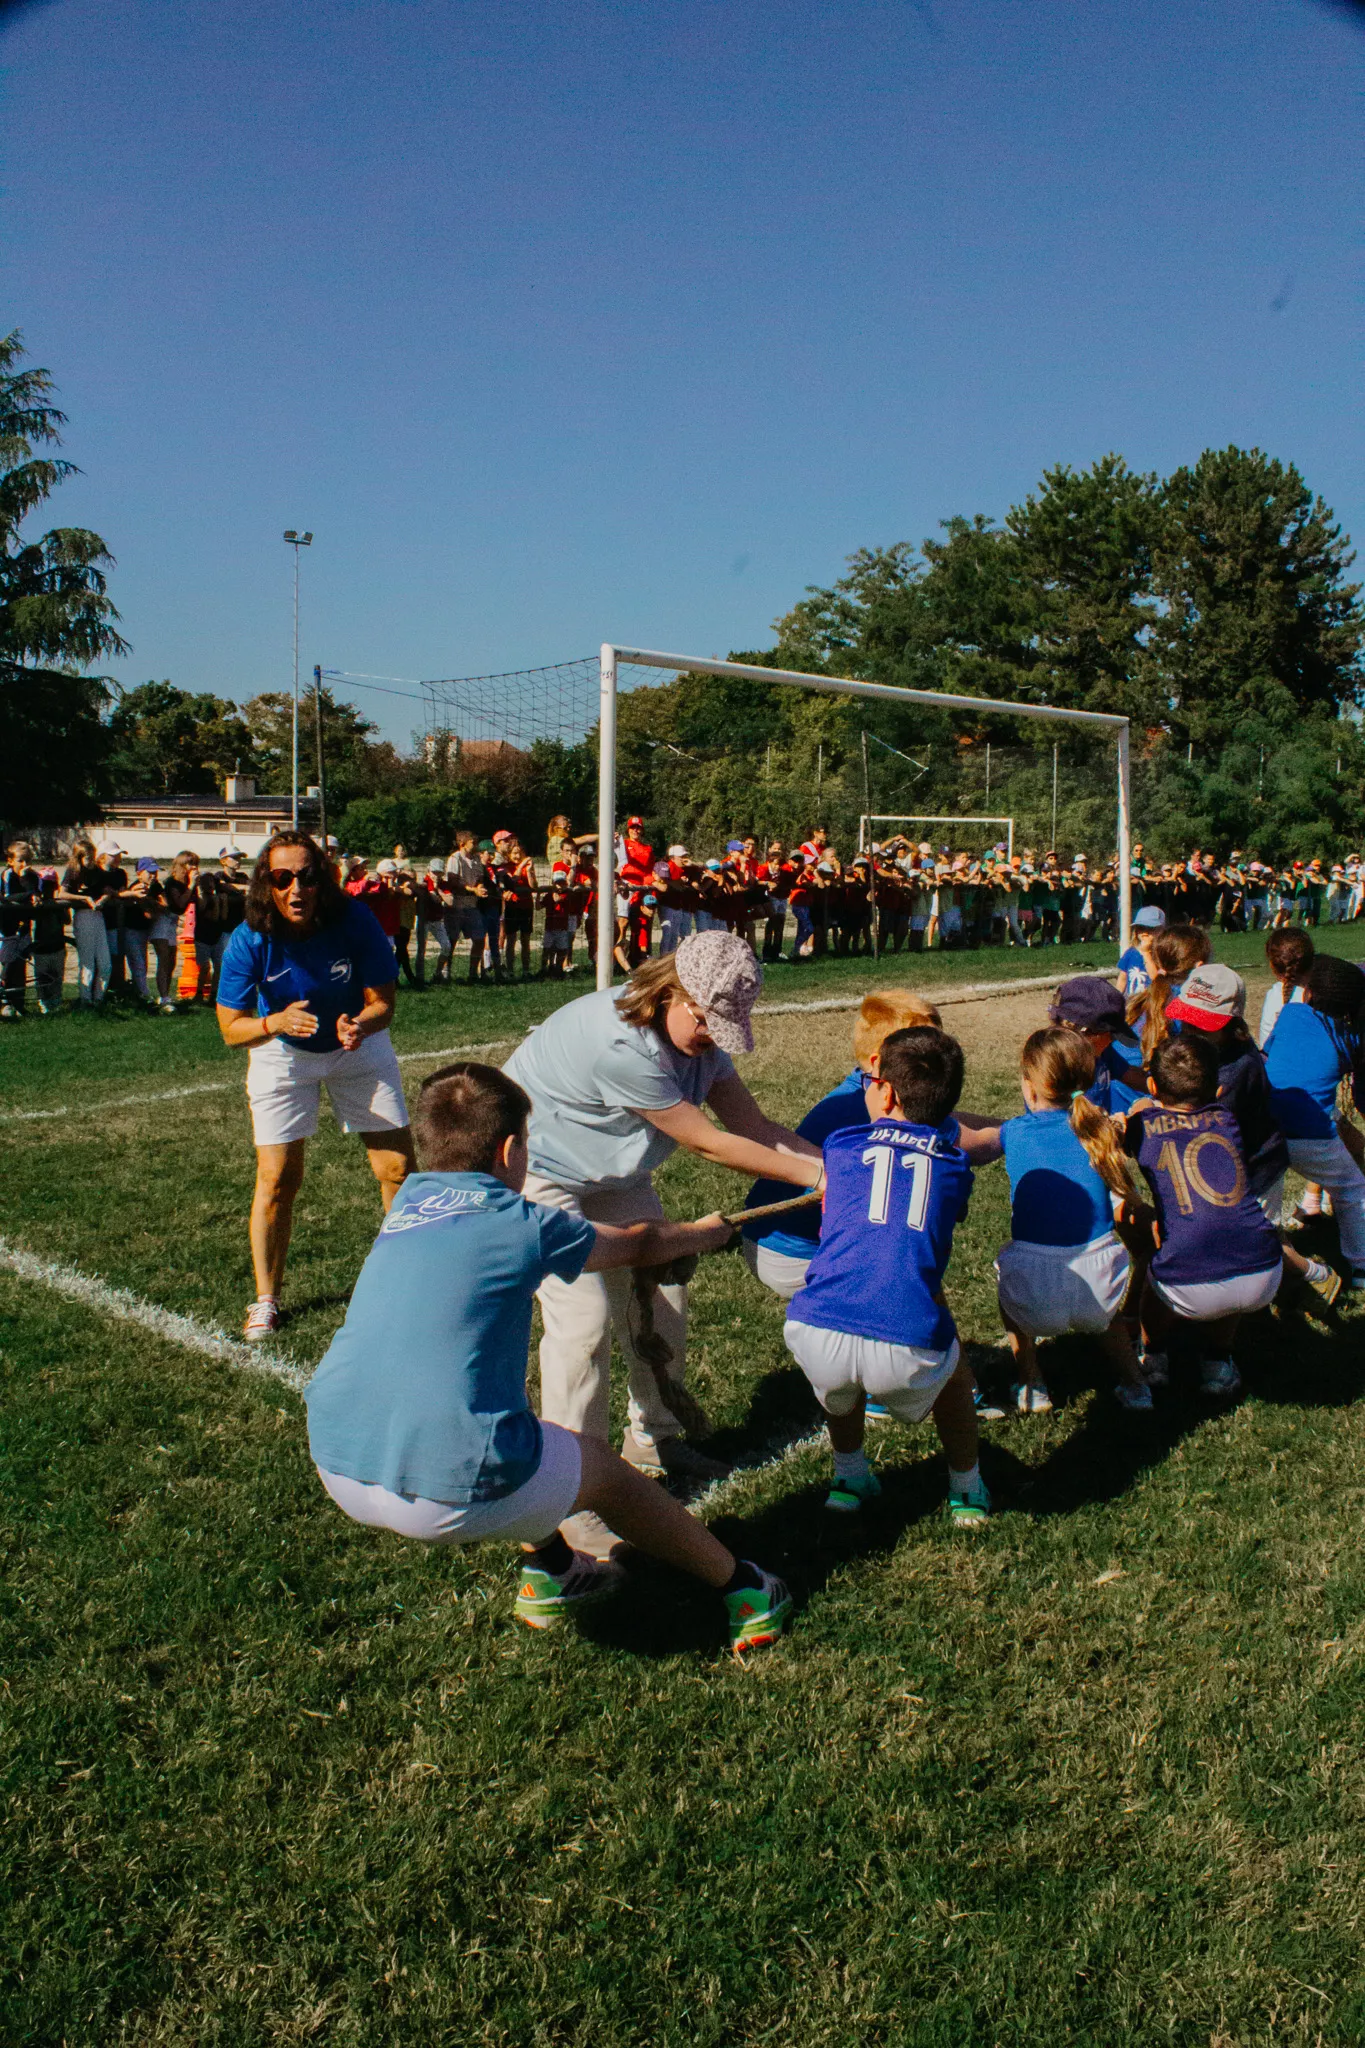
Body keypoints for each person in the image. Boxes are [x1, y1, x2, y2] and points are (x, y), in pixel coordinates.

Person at [305, 1062, 792, 1655]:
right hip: (448, 1485)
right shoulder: (523, 1223)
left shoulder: (407, 1200)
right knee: (605, 1472)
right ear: (511, 1149)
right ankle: (746, 1588)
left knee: (530, 1437)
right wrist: (702, 1232)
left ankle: (553, 1570)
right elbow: (637, 1243)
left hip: (336, 1458)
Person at [502, 932, 825, 1552]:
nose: (711, 1035)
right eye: (706, 1020)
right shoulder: (621, 1043)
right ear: (672, 991)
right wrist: (820, 1178)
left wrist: (844, 1171)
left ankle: (654, 1438)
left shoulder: (698, 1040)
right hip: (541, 1173)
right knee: (585, 1321)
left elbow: (754, 1127)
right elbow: (709, 1142)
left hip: (612, 1173)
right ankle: (571, 1493)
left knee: (663, 1298)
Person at [781, 1026, 992, 1525]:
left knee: (843, 1366)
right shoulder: (956, 1167)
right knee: (957, 1376)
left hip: (814, 1330)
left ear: (888, 1092)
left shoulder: (841, 1143)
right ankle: (967, 1487)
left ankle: (848, 1474)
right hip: (906, 1345)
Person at [215, 830, 415, 1341]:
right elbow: (230, 1029)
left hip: (357, 1048)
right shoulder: (250, 938)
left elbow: (383, 1004)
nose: (296, 888)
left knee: (398, 1169)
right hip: (281, 1053)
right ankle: (266, 1300)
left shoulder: (355, 920)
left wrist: (360, 1024)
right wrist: (274, 1023)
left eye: (307, 876)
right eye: (282, 878)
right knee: (279, 1178)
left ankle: (410, 1285)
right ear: (267, 884)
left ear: (323, 881)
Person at [742, 989, 945, 1302]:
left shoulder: (861, 1090)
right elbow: (969, 1138)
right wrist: (1022, 1127)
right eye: (929, 1052)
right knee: (911, 1259)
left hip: (764, 1238)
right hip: (795, 1254)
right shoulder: (889, 1109)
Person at [993, 1027, 1150, 1416]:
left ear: (1031, 1088)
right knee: (1107, 1321)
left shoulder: (1013, 1131)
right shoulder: (1101, 1131)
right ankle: (1136, 1385)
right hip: (1101, 1287)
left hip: (1036, 1291)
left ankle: (1032, 1383)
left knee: (1005, 1272)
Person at [1163, 961, 1337, 1306]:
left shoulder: (1236, 1070)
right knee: (1255, 1233)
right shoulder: (1195, 1043)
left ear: (1230, 1024)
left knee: (1249, 1241)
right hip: (1225, 1165)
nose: (1192, 1029)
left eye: (1204, 1023)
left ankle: (1317, 1276)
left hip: (1254, 1167)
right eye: (1188, 1018)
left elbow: (1203, 1123)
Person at [1125, 1034, 1283, 1398]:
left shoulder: (1142, 1125)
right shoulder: (1227, 1119)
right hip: (1262, 1271)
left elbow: (1129, 1140)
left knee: (1154, 1265)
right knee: (1228, 1254)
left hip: (1188, 1281)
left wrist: (1135, 1114)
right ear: (1219, 1090)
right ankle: (1218, 1361)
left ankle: (1154, 1355)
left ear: (1151, 1086)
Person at [1262, 954, 1365, 1291]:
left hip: (1265, 1125)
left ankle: (1268, 1266)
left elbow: (1269, 1055)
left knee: (1263, 1209)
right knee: (1352, 1189)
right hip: (1311, 1133)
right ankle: (1361, 1267)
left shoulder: (1291, 1013)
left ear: (1310, 992)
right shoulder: (1348, 1040)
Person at [58, 837, 113, 1006]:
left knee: (105, 963)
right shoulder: (73, 872)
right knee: (87, 962)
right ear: (79, 857)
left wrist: (103, 899)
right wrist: (84, 898)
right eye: (87, 858)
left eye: (92, 857)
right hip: (83, 916)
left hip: (98, 916)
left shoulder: (97, 872)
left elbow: (107, 891)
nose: (90, 862)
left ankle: (99, 998)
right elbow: (62, 894)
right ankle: (85, 999)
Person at [0, 840, 41, 1017]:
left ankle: (19, 1003)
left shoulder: (32, 876)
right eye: (20, 860)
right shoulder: (7, 875)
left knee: (20, 966)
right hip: (7, 928)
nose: (24, 865)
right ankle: (5, 1002)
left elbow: (37, 893)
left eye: (27, 860)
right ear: (10, 860)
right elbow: (9, 898)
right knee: (8, 965)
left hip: (24, 928)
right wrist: (30, 894)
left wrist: (28, 885)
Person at [30, 869, 70, 1013]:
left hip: (58, 945)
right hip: (41, 947)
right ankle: (44, 1003)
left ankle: (56, 1001)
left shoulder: (58, 904)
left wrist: (61, 907)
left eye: (50, 885)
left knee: (57, 976)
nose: (47, 889)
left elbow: (67, 920)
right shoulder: (37, 905)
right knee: (42, 977)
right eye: (44, 886)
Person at [1115, 904, 1165, 999]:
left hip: (1151, 1002)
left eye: (1151, 929)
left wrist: (1146, 953)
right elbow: (1122, 979)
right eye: (1141, 928)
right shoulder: (1131, 952)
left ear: (1162, 931)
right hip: (1132, 1002)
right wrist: (1116, 998)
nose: (1145, 933)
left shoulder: (1162, 954)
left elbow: (1157, 981)